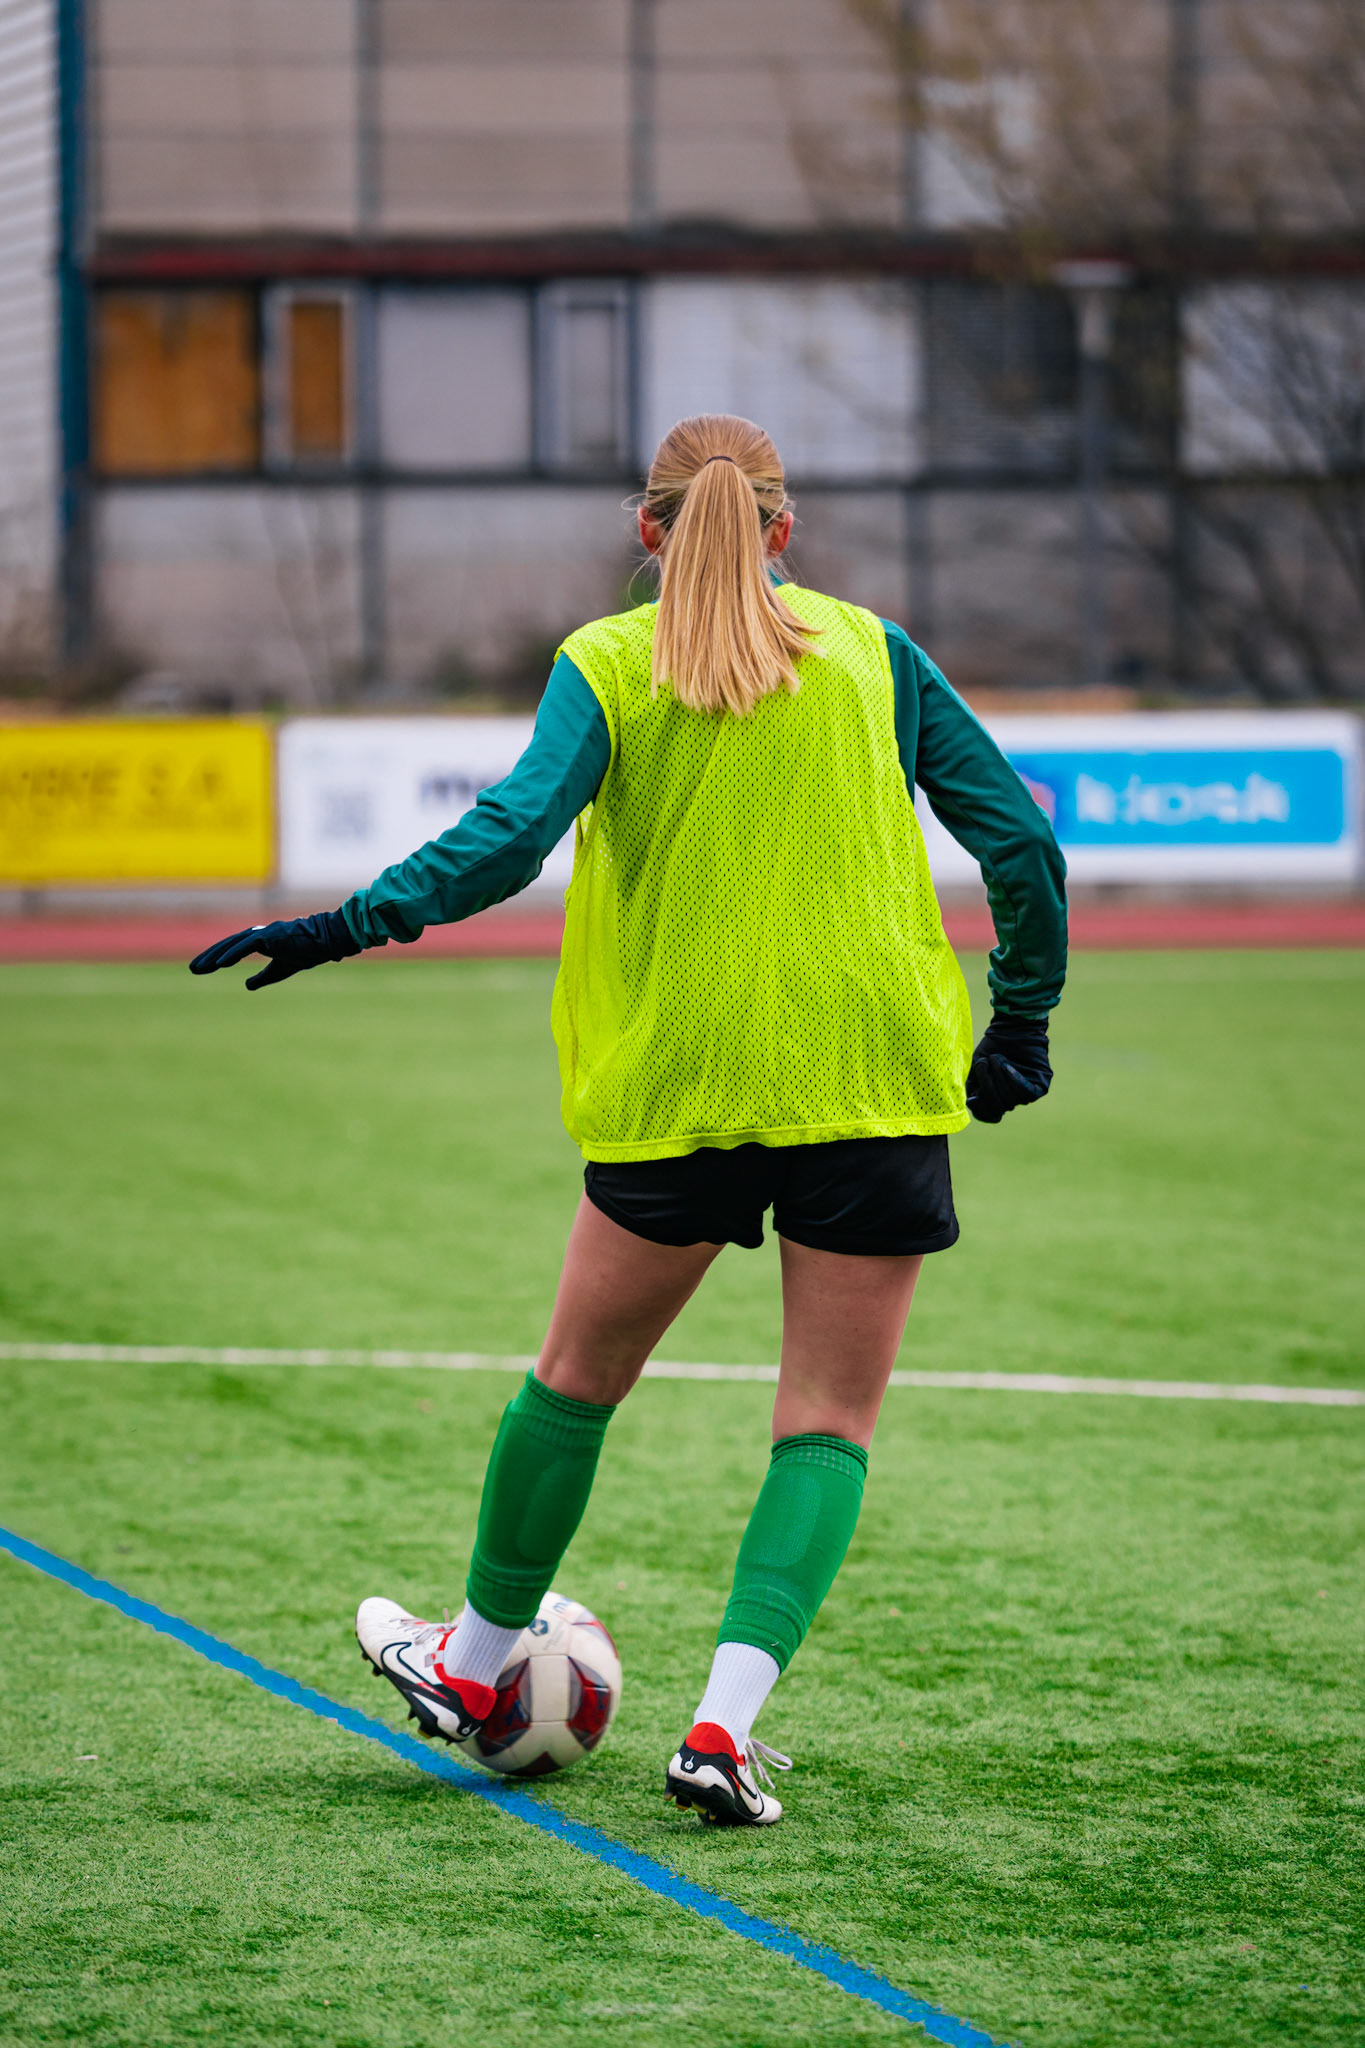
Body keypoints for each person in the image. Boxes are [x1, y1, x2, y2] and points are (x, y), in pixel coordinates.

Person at [190, 413, 1065, 1826]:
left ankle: (471, 1666)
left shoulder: (606, 661)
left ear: (647, 529)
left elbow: (504, 843)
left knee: (575, 1382)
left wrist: (343, 925)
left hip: (680, 1085)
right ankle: (720, 1736)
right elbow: (1018, 840)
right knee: (826, 1422)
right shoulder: (877, 654)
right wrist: (1020, 1018)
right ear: (784, 529)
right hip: (871, 1078)